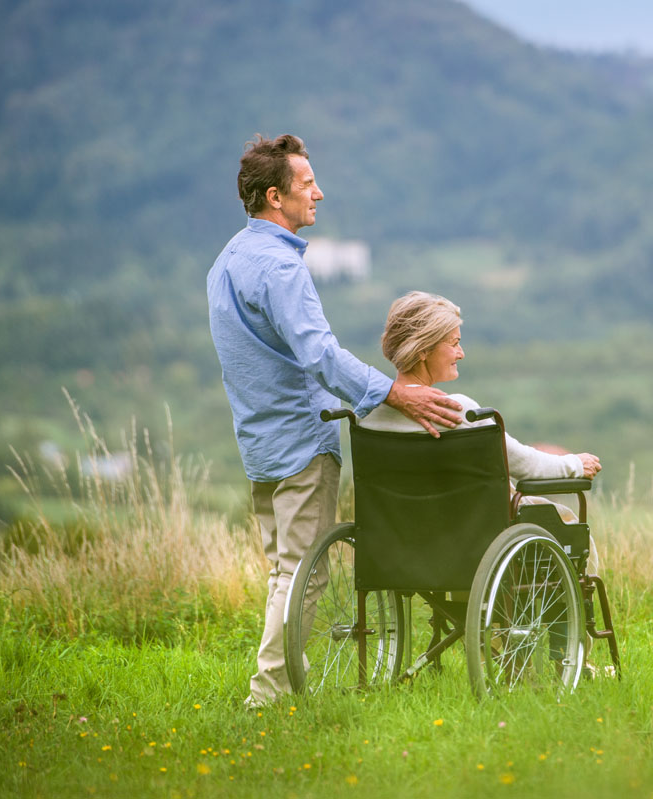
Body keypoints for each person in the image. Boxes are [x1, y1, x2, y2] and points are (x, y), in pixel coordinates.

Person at [207, 135, 461, 707]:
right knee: (302, 577)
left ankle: (277, 688)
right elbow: (320, 355)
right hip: (300, 441)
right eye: (306, 185)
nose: (318, 193)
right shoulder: (280, 270)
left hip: (257, 440)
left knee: (282, 573)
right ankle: (268, 696)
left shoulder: (226, 261)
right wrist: (395, 392)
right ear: (275, 197)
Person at [360, 291, 602, 535]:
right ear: (423, 350)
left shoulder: (367, 415)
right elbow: (524, 465)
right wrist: (574, 464)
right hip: (464, 536)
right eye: (454, 343)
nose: (461, 353)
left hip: (397, 537)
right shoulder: (456, 410)